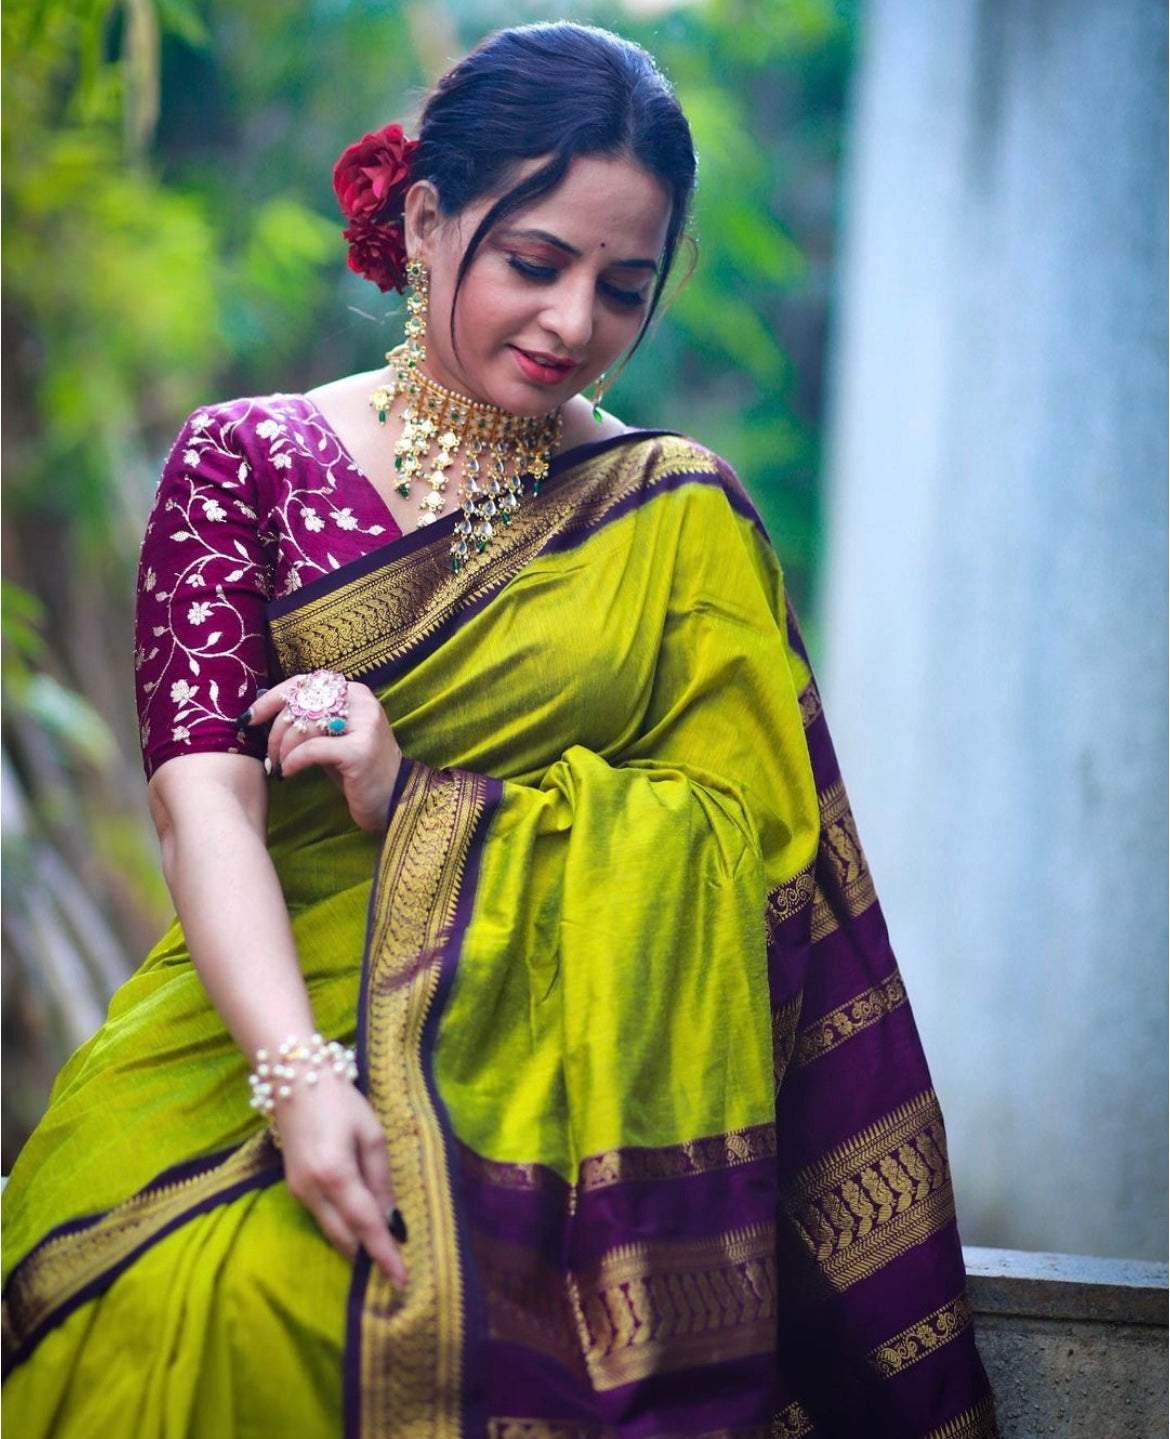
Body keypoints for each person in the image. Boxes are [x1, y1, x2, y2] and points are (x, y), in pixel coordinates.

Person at [2, 21, 998, 1438]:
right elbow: (201, 809)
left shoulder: (674, 511)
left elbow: (746, 850)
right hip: (252, 1036)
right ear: (424, 220)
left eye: (623, 285)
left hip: (573, 1099)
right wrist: (297, 1082)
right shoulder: (248, 461)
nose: (573, 322)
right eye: (534, 262)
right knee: (211, 1301)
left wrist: (420, 792)